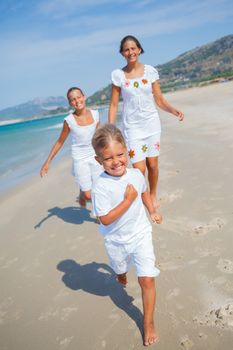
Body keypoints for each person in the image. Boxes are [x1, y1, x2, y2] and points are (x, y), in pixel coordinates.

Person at [91, 124, 162, 346]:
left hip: (140, 234)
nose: (116, 161)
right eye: (108, 158)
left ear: (127, 151)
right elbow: (105, 219)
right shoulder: (100, 186)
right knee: (120, 270)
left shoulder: (136, 174)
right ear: (98, 161)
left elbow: (144, 193)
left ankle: (148, 322)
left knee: (147, 278)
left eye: (120, 154)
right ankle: (121, 272)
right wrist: (127, 200)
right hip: (116, 241)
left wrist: (152, 210)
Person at [108, 35, 184, 208]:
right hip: (132, 127)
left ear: (139, 49)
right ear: (122, 53)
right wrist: (111, 128)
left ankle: (153, 193)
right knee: (139, 168)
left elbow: (159, 99)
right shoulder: (118, 75)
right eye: (126, 49)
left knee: (153, 164)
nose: (130, 52)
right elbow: (113, 104)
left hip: (151, 124)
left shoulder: (150, 71)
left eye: (133, 48)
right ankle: (144, 196)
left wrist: (173, 110)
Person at [40, 87, 102, 207]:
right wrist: (47, 162)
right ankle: (83, 194)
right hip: (80, 159)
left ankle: (100, 213)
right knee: (88, 195)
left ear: (84, 97)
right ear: (70, 103)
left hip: (95, 156)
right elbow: (59, 142)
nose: (77, 101)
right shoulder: (69, 121)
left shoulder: (96, 115)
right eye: (73, 99)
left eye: (78, 97)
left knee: (99, 186)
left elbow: (99, 136)